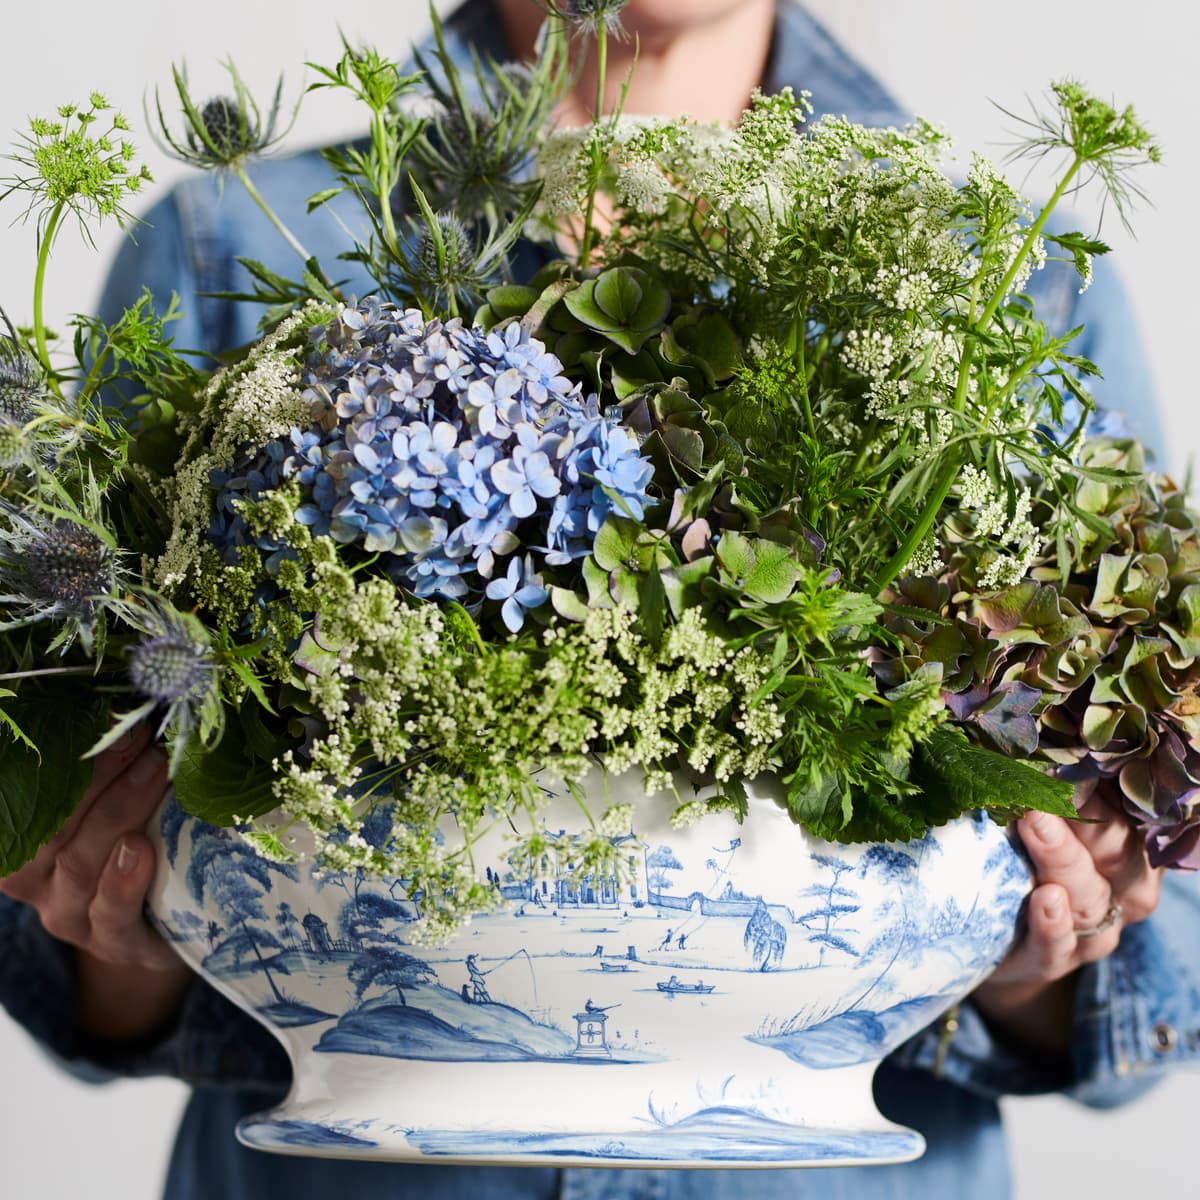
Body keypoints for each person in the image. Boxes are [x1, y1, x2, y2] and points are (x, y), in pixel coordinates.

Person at [0, 2, 1194, 1198]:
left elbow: (1161, 979)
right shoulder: (220, 241)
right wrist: (129, 936)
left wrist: (1029, 959)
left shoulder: (1011, 265)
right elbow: (64, 934)